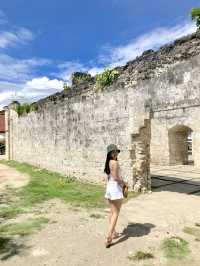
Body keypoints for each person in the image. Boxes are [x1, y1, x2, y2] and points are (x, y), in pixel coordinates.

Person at [104, 144, 126, 248]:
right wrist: (124, 183)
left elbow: (110, 177)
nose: (116, 153)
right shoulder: (115, 162)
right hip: (115, 189)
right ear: (110, 153)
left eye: (116, 152)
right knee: (116, 213)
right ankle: (109, 236)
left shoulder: (108, 162)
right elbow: (116, 177)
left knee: (112, 212)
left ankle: (113, 232)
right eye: (114, 152)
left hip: (109, 188)